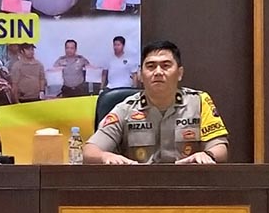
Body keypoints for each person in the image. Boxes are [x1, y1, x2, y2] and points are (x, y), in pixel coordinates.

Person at [84, 40, 229, 165]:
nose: (158, 72)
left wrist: (207, 155)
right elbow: (90, 151)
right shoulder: (125, 109)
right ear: (141, 75)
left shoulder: (199, 102)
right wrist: (105, 156)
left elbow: (220, 147)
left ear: (179, 73)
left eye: (166, 65)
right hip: (138, 185)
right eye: (151, 66)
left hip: (187, 182)